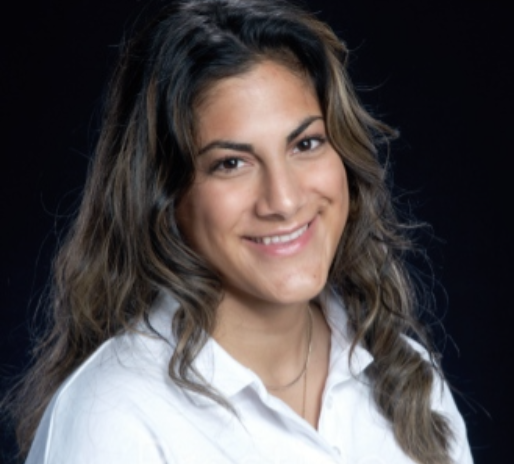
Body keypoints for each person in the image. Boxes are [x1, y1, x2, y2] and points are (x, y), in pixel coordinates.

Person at [7, 0, 473, 462]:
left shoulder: (408, 376)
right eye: (231, 163)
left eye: (305, 143)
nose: (284, 200)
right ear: (163, 197)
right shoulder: (114, 419)